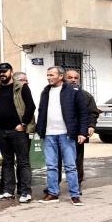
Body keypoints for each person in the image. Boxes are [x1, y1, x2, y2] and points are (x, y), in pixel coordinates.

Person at [36, 66, 88, 206]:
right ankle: (53, 193)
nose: (49, 77)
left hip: (66, 135)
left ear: (60, 76)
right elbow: (41, 111)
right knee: (51, 166)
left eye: (51, 75)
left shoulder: (73, 91)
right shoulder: (45, 91)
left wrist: (82, 132)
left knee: (70, 166)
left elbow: (83, 113)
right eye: (48, 75)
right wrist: (39, 130)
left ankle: (75, 195)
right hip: (49, 135)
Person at [0, 63, 36, 203]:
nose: (2, 74)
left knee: (23, 162)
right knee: (7, 162)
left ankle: (25, 192)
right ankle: (8, 191)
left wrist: (23, 124)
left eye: (4, 71)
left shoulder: (21, 86)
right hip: (2, 131)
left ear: (11, 71)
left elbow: (31, 106)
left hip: (18, 131)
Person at [64, 70, 99, 189]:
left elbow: (92, 112)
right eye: (70, 77)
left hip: (78, 132)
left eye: (76, 78)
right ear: (64, 79)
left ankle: (76, 183)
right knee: (56, 160)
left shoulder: (85, 95)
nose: (73, 80)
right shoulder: (57, 93)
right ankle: (53, 187)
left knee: (77, 159)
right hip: (59, 131)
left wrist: (91, 125)